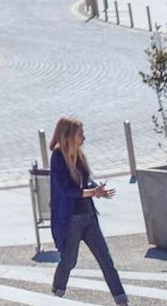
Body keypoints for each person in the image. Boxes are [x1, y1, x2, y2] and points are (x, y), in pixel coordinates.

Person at [46, 116, 128, 303]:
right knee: (69, 261)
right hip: (71, 219)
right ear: (68, 135)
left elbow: (87, 179)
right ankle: (58, 292)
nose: (83, 137)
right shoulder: (58, 157)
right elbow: (67, 190)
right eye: (80, 133)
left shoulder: (79, 155)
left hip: (89, 216)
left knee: (106, 260)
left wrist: (98, 189)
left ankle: (121, 299)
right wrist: (93, 192)